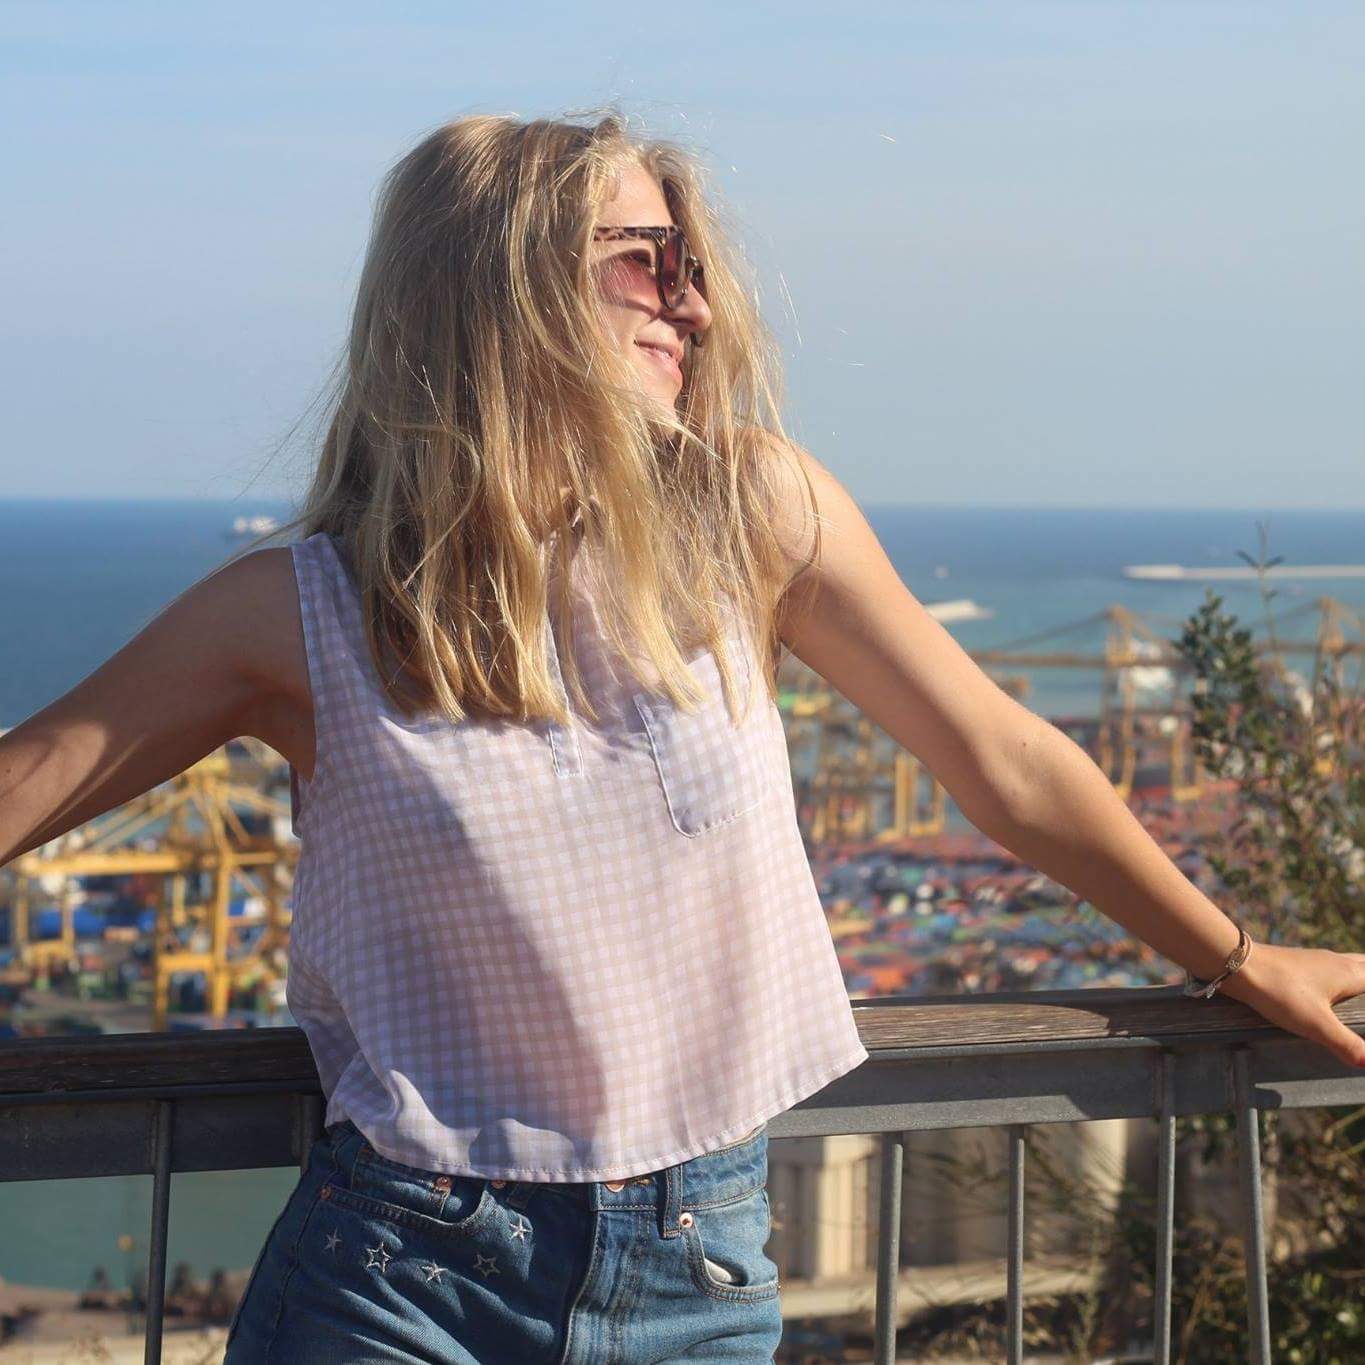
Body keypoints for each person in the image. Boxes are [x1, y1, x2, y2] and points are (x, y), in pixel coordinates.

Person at [3, 109, 1364, 1364]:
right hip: (400, 1278)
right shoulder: (300, 610)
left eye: (694, 265)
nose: (696, 306)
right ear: (499, 284)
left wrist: (1237, 958)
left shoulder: (751, 514)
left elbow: (1003, 763)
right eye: (647, 262)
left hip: (698, 1269)